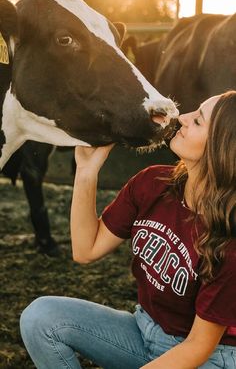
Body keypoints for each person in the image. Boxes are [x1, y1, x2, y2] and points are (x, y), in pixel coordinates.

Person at [20, 90, 236, 369]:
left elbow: (197, 348)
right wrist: (86, 171)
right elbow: (86, 249)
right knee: (41, 318)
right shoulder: (153, 183)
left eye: (197, 121)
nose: (182, 118)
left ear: (222, 149)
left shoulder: (229, 240)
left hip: (207, 358)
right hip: (142, 331)